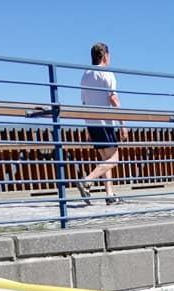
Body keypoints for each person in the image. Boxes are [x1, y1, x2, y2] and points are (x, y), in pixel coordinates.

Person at [77, 42, 129, 205]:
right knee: (114, 159)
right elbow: (113, 98)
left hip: (91, 122)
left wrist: (87, 127)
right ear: (105, 56)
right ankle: (87, 180)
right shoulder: (106, 73)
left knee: (105, 160)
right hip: (105, 122)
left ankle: (109, 195)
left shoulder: (85, 75)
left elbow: (84, 102)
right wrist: (123, 124)